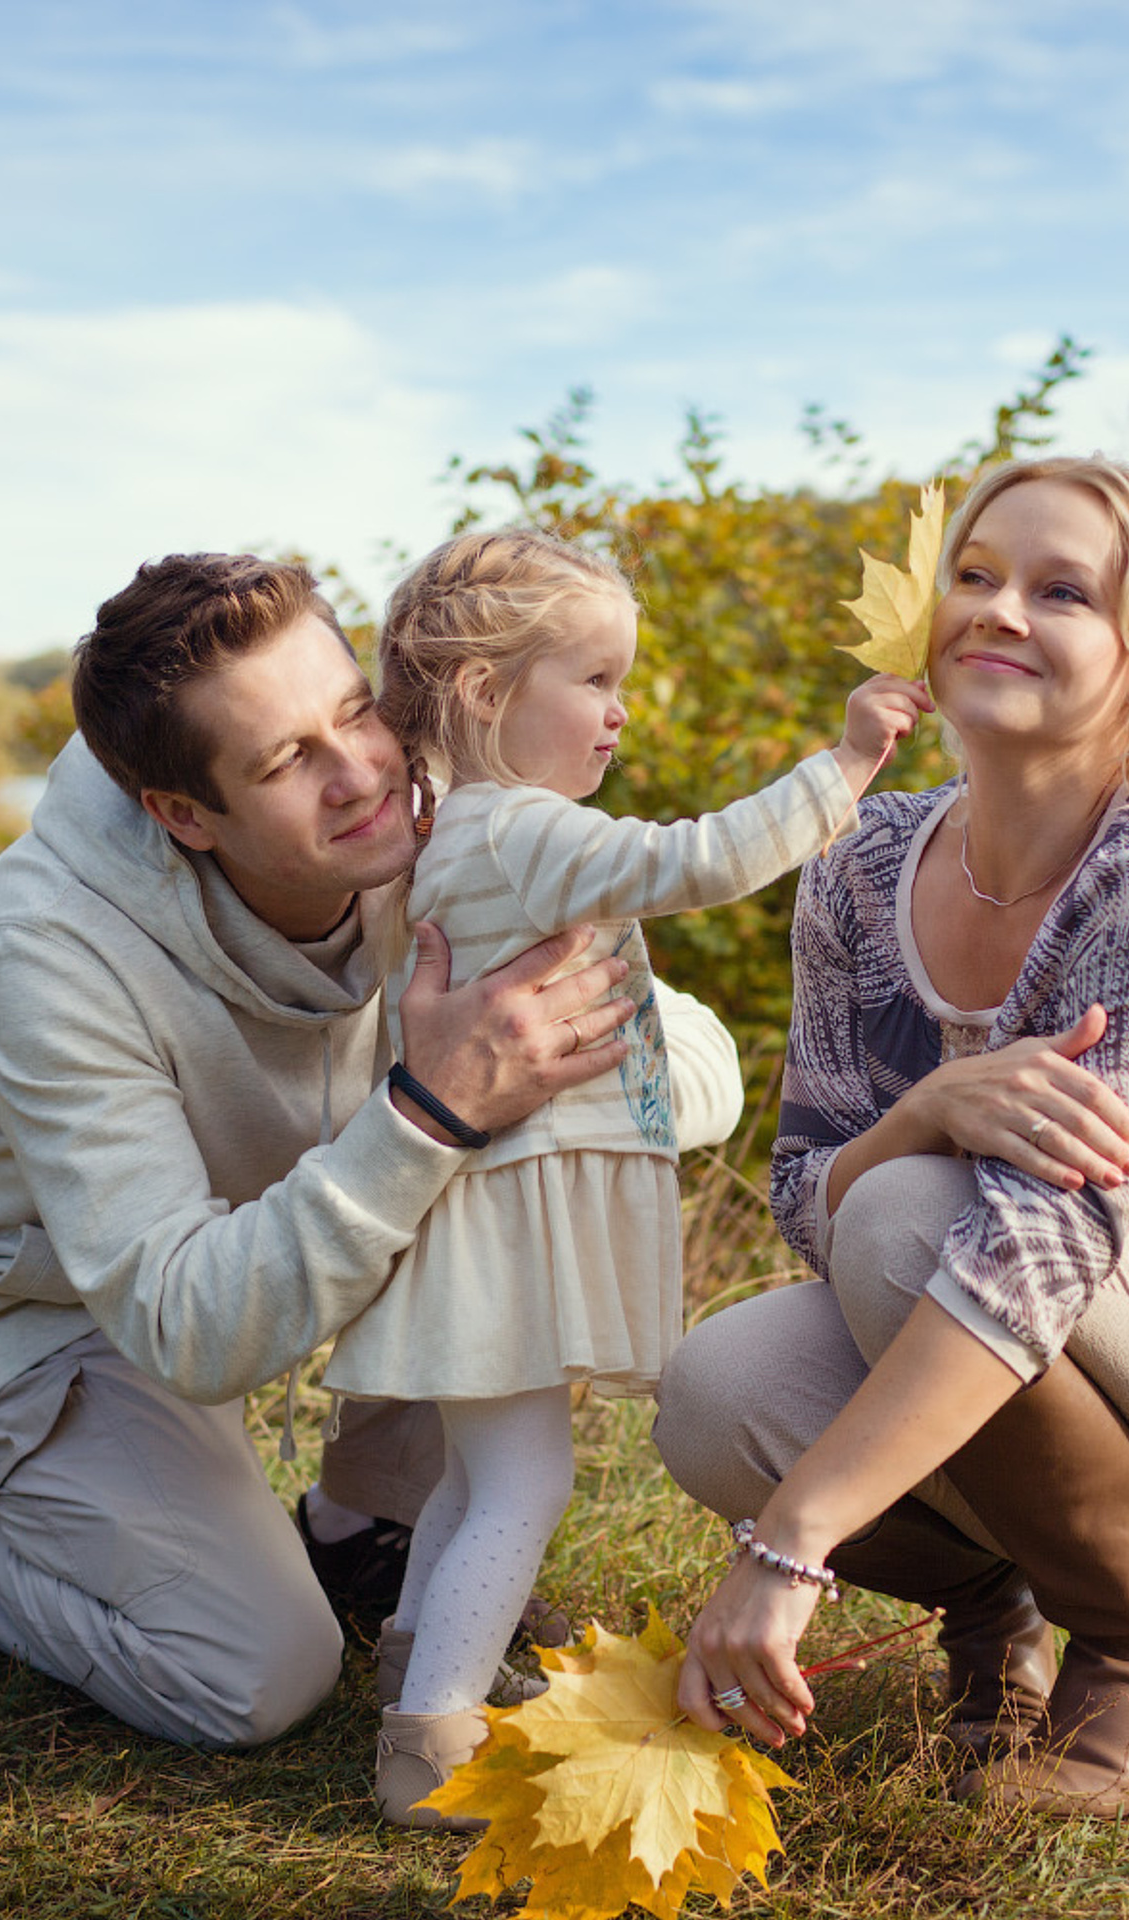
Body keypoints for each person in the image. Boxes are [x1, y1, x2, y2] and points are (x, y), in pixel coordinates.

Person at [0, 551, 750, 1749]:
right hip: (41, 1304)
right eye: (287, 760)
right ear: (184, 814)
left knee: (469, 1158)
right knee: (255, 1676)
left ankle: (365, 1525)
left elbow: (692, 1061)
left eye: (355, 710)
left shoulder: (442, 823)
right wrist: (436, 1106)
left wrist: (541, 1083)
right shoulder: (41, 946)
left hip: (267, 1237)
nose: (363, 774)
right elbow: (188, 1328)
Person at [654, 455, 1129, 1818]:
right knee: (717, 1391)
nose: (998, 610)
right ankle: (997, 1601)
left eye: (1062, 590)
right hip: (1064, 1355)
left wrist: (791, 1545)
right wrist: (922, 1110)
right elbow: (801, 1192)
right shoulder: (858, 866)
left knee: (920, 1219)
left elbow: (1045, 1238)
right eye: (975, 574)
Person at [319, 527, 922, 1826]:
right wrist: (846, 765)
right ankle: (429, 1744)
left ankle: (417, 1660)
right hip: (507, 1219)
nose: (620, 710)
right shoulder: (519, 830)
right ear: (487, 694)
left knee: (478, 1474)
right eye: (593, 678)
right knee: (526, 1479)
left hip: (494, 1207)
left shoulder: (468, 832)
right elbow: (687, 862)